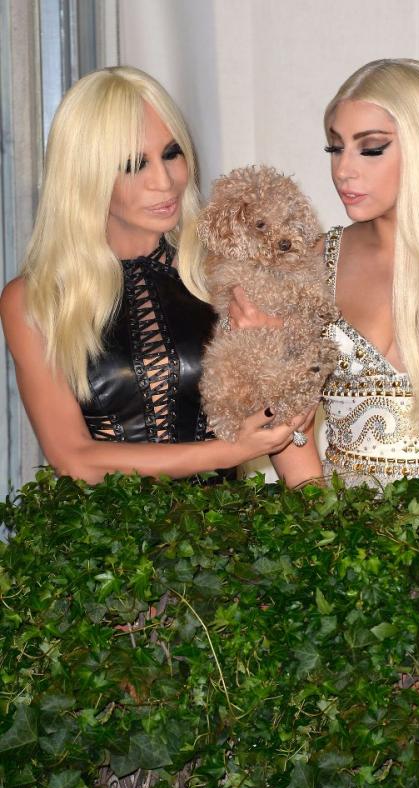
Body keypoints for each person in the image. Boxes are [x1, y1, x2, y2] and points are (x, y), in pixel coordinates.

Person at [0, 66, 313, 485]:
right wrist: (229, 451)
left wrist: (322, 515)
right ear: (84, 174)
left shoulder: (228, 275)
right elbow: (74, 459)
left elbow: (290, 433)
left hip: (227, 523)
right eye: (134, 164)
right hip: (102, 527)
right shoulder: (34, 299)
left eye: (171, 153)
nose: (164, 182)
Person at [231, 58, 419, 487]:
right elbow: (289, 424)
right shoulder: (309, 263)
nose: (343, 170)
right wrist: (320, 515)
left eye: (370, 149)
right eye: (335, 148)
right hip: (337, 521)